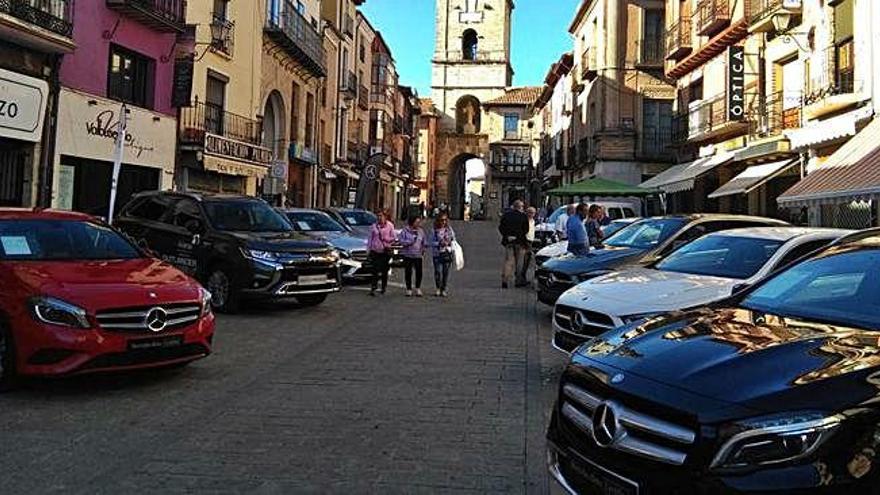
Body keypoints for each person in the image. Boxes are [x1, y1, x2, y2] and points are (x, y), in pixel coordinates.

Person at [499, 199, 529, 289]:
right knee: (519, 262)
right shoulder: (523, 216)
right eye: (522, 206)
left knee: (508, 261)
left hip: (509, 241)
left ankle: (505, 280)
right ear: (520, 207)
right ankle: (518, 281)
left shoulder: (506, 215)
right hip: (520, 242)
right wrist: (518, 236)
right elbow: (526, 229)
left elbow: (501, 227)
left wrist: (507, 235)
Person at [367, 208, 396, 296]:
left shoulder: (390, 225)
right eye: (378, 216)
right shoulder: (374, 226)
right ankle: (373, 288)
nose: (379, 218)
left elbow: (393, 238)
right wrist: (368, 249)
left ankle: (383, 287)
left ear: (385, 217)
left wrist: (386, 239)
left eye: (381, 216)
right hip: (375, 251)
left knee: (384, 270)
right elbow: (370, 239)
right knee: (374, 270)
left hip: (385, 251)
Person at [399, 216, 426, 297]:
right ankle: (409, 289)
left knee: (419, 272)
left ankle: (418, 288)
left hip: (418, 255)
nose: (418, 224)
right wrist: (409, 242)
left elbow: (424, 241)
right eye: (416, 222)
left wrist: (423, 249)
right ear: (412, 222)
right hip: (408, 254)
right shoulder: (405, 231)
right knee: (408, 272)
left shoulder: (421, 231)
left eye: (419, 222)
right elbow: (401, 240)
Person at [431, 213, 456, 297]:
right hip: (437, 253)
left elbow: (453, 239)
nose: (444, 222)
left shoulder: (449, 230)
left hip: (447, 252)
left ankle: (443, 289)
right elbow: (430, 242)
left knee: (445, 272)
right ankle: (438, 288)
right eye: (442, 220)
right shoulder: (434, 230)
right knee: (437, 271)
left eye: (445, 220)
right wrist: (439, 243)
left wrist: (449, 243)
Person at [519, 206, 537, 285]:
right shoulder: (524, 220)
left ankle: (523, 277)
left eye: (533, 213)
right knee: (525, 260)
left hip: (531, 241)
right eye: (531, 213)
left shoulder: (533, 221)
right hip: (526, 241)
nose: (532, 214)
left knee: (528, 260)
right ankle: (521, 278)